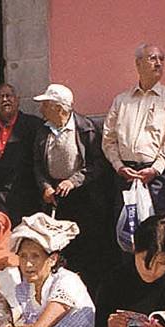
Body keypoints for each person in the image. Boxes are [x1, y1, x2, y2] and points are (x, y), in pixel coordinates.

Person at [31, 83, 111, 293]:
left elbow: (97, 164)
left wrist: (73, 181)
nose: (41, 109)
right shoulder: (43, 130)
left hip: (85, 200)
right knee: (61, 248)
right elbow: (37, 164)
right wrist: (45, 186)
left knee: (86, 249)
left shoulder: (86, 128)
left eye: (46, 105)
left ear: (59, 108)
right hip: (56, 199)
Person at [102, 43, 165, 217]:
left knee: (158, 226)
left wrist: (155, 169)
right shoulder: (121, 100)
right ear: (138, 63)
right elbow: (109, 139)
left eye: (161, 59)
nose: (158, 63)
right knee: (126, 227)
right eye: (152, 58)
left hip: (157, 176)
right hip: (125, 175)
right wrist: (119, 166)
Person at [0, 83, 43, 223]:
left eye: (8, 96)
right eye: (0, 97)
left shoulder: (34, 125)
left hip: (25, 200)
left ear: (17, 100)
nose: (5, 99)